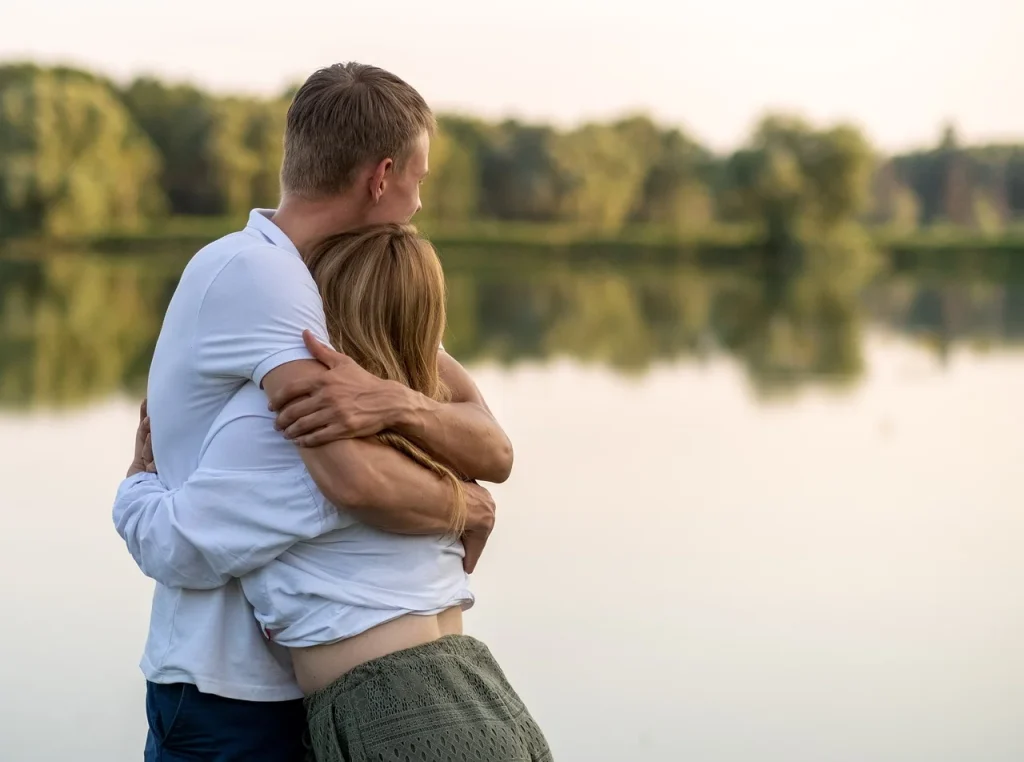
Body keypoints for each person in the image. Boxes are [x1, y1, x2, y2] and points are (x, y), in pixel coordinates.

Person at [113, 63, 511, 762]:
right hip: (230, 691)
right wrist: (466, 507)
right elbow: (349, 480)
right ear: (381, 177)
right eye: (419, 180)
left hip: (326, 691)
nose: (419, 204)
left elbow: (489, 442)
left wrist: (397, 402)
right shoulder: (261, 275)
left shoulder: (354, 289)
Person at [126, 224, 552, 762]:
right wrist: (465, 502)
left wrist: (138, 478)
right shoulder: (434, 427)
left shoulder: (294, 430)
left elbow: (175, 545)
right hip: (486, 701)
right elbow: (495, 446)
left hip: (399, 723)